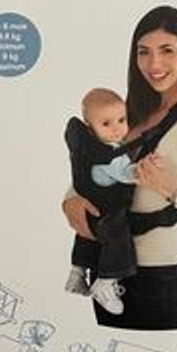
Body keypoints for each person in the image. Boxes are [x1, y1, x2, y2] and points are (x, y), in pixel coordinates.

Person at [62, 5, 177, 330]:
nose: (154, 64)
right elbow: (100, 168)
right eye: (144, 52)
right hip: (104, 276)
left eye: (167, 50)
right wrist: (70, 199)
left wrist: (175, 190)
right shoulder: (130, 113)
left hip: (158, 284)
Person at [64, 88, 139, 315]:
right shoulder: (108, 155)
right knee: (117, 241)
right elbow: (127, 174)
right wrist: (145, 168)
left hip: (91, 210)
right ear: (90, 127)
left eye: (121, 120)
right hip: (107, 214)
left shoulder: (86, 148)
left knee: (88, 239)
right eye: (106, 124)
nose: (117, 128)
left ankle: (77, 274)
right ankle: (105, 282)